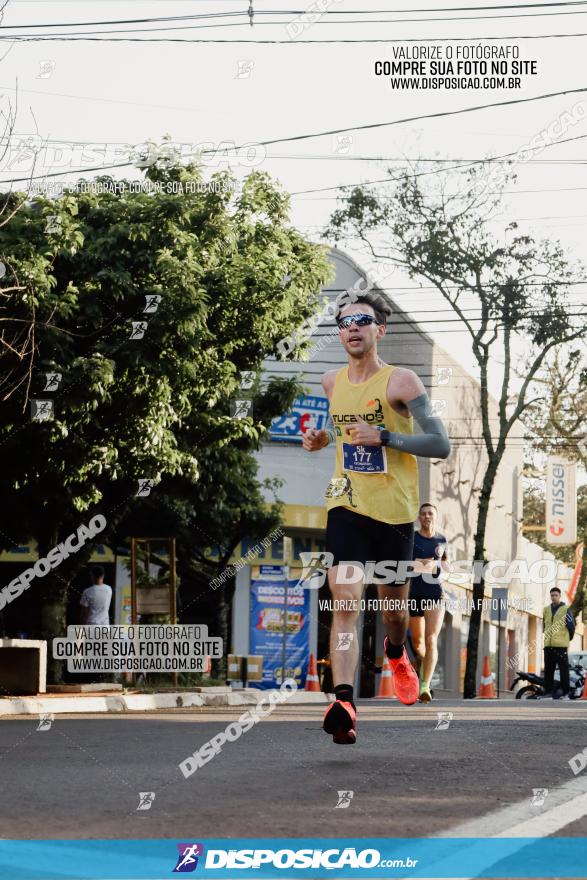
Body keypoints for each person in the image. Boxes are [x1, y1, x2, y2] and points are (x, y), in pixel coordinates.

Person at [302, 289, 451, 744]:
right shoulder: (331, 381)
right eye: (343, 322)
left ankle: (395, 652)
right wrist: (324, 439)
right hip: (346, 503)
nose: (351, 328)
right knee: (344, 600)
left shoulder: (402, 382)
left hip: (395, 514)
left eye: (361, 320)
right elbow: (343, 428)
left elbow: (440, 445)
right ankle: (343, 701)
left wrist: (385, 436)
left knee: (394, 614)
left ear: (379, 330)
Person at [408, 502, 449, 703]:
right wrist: (426, 565)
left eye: (430, 513)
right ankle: (424, 671)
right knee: (418, 643)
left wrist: (441, 565)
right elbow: (404, 564)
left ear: (435, 517)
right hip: (415, 592)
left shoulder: (442, 540)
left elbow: (446, 566)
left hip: (435, 593)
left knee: (432, 638)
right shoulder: (412, 538)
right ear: (419, 517)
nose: (426, 516)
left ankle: (425, 685)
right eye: (423, 513)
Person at [543, 586, 575, 700]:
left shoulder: (566, 610)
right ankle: (548, 693)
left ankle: (566, 694)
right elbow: (544, 626)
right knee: (548, 671)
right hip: (548, 646)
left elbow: (571, 627)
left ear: (560, 596)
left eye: (556, 595)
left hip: (561, 647)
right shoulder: (546, 610)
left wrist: (566, 639)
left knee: (564, 672)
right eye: (552, 595)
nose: (554, 597)